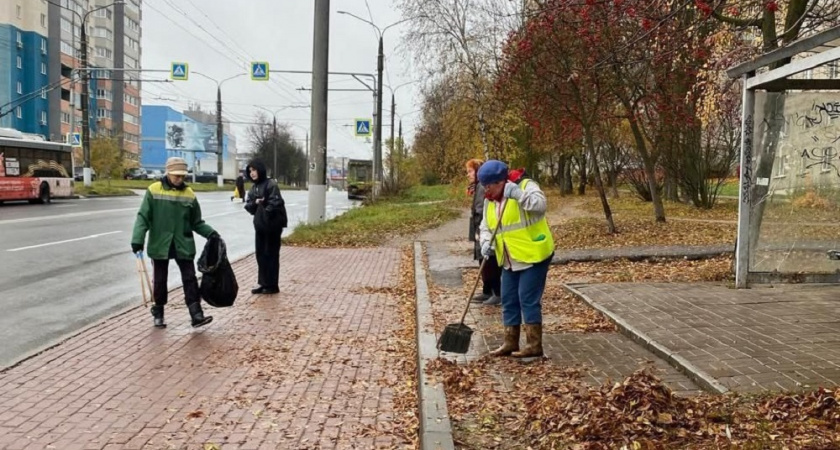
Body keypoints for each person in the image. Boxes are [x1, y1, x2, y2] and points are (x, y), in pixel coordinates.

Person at [478, 160, 554, 358]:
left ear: (500, 181)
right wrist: (486, 243)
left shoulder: (525, 186)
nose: (487, 190)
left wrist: (518, 195)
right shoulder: (490, 200)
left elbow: (540, 206)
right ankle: (510, 342)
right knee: (509, 299)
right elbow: (486, 226)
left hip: (534, 253)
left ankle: (534, 345)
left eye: (489, 186)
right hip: (510, 258)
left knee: (527, 298)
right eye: (484, 186)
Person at [131, 157, 217, 329]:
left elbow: (197, 222)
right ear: (168, 173)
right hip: (160, 243)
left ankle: (196, 314)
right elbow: (143, 217)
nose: (179, 179)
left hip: (182, 243)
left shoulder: (189, 194)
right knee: (160, 280)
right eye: (176, 175)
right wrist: (137, 239)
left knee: (190, 278)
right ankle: (159, 312)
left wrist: (212, 234)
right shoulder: (154, 190)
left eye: (182, 176)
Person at [244, 159, 287, 295]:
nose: (252, 173)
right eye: (250, 171)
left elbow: (276, 202)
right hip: (261, 227)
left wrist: (265, 207)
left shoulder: (270, 184)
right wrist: (256, 203)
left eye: (254, 170)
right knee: (261, 255)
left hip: (272, 226)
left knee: (271, 254)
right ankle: (263, 283)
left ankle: (272, 285)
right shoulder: (253, 188)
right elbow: (249, 206)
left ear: (260, 170)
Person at [466, 158, 501, 306]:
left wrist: (480, 231)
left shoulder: (482, 187)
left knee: (488, 261)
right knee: (482, 259)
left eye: (470, 171)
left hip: (482, 227)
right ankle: (487, 290)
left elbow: (482, 210)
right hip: (478, 227)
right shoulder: (477, 186)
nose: (468, 175)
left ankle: (496, 292)